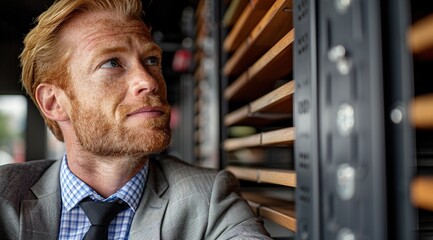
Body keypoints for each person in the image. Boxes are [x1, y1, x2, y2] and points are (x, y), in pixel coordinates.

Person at [0, 0, 272, 239]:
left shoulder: (208, 198)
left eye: (152, 60)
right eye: (111, 63)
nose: (149, 81)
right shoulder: (5, 198)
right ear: (54, 103)